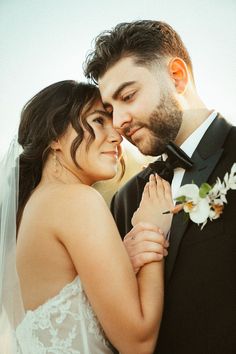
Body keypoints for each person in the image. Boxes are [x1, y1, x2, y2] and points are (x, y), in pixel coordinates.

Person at [84, 20, 236, 353]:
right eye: (110, 110)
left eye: (128, 96)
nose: (119, 122)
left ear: (177, 76)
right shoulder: (126, 200)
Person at [0, 80, 173, 354]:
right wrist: (151, 229)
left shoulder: (25, 218)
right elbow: (139, 342)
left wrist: (123, 262)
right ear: (55, 136)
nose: (117, 136)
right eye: (98, 121)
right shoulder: (76, 199)